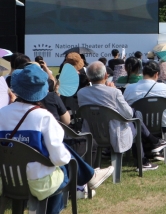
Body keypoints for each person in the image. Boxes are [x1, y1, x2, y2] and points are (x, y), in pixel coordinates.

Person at [0, 64, 113, 208]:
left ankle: (90, 176)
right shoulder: (43, 116)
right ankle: (86, 180)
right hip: (38, 182)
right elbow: (59, 158)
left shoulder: (2, 113)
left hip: (7, 180)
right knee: (62, 172)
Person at [77, 62, 166, 171]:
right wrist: (114, 90)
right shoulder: (114, 92)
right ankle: (144, 159)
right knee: (135, 121)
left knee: (134, 117)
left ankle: (152, 144)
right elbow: (129, 114)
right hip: (114, 133)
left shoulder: (81, 93)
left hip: (91, 132)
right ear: (106, 76)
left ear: (88, 77)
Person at [123, 61, 166, 133]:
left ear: (143, 73)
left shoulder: (129, 88)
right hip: (161, 125)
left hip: (136, 125)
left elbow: (124, 106)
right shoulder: (164, 87)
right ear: (156, 74)